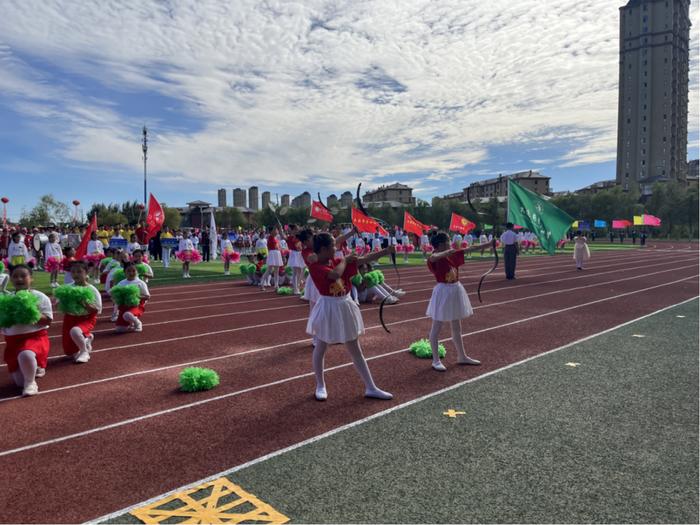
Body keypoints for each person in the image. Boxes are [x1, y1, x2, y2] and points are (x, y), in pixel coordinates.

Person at [307, 232, 394, 401]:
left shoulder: (336, 261)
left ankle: (371, 387)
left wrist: (385, 252)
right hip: (328, 307)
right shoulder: (316, 266)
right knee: (321, 346)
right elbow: (334, 275)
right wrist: (346, 260)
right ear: (324, 249)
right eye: (333, 246)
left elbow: (361, 260)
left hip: (344, 305)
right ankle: (320, 384)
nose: (336, 248)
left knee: (355, 348)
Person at [426, 232, 491, 371]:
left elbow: (469, 249)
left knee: (456, 326)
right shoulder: (435, 256)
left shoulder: (452, 253)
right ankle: (435, 360)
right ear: (442, 244)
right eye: (448, 241)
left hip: (455, 289)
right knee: (436, 326)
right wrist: (445, 253)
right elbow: (433, 257)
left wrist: (487, 244)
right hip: (443, 292)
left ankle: (462, 356)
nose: (451, 243)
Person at [2, 265, 53, 396]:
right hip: (13, 341)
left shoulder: (40, 297)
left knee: (25, 355)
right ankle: (34, 368)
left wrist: (30, 312)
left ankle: (31, 384)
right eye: (15, 276)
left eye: (23, 276)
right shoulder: (6, 299)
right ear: (11, 279)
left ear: (31, 279)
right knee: (18, 382)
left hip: (35, 337)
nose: (19, 279)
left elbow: (47, 320)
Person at [58, 261, 102, 363]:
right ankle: (87, 338)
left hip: (86, 318)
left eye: (79, 272)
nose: (76, 274)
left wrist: (84, 303)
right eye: (73, 272)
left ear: (86, 273)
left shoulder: (92, 289)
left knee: (75, 331)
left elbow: (96, 309)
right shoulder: (67, 288)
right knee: (69, 353)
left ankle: (84, 352)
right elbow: (60, 305)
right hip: (69, 318)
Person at [111, 262, 150, 333]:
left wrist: (136, 297)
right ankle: (130, 322)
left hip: (137, 305)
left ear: (137, 271)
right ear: (124, 272)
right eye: (128, 271)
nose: (131, 273)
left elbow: (147, 297)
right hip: (124, 306)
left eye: (133, 271)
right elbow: (116, 295)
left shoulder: (140, 283)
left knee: (127, 314)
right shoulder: (121, 283)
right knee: (120, 329)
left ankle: (138, 323)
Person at [261, 227, 283, 292]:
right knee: (269, 270)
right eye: (275, 230)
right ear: (272, 231)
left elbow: (278, 247)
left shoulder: (275, 238)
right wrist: (276, 225)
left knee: (277, 270)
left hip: (276, 253)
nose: (277, 231)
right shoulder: (270, 237)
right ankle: (262, 283)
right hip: (272, 253)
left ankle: (276, 285)